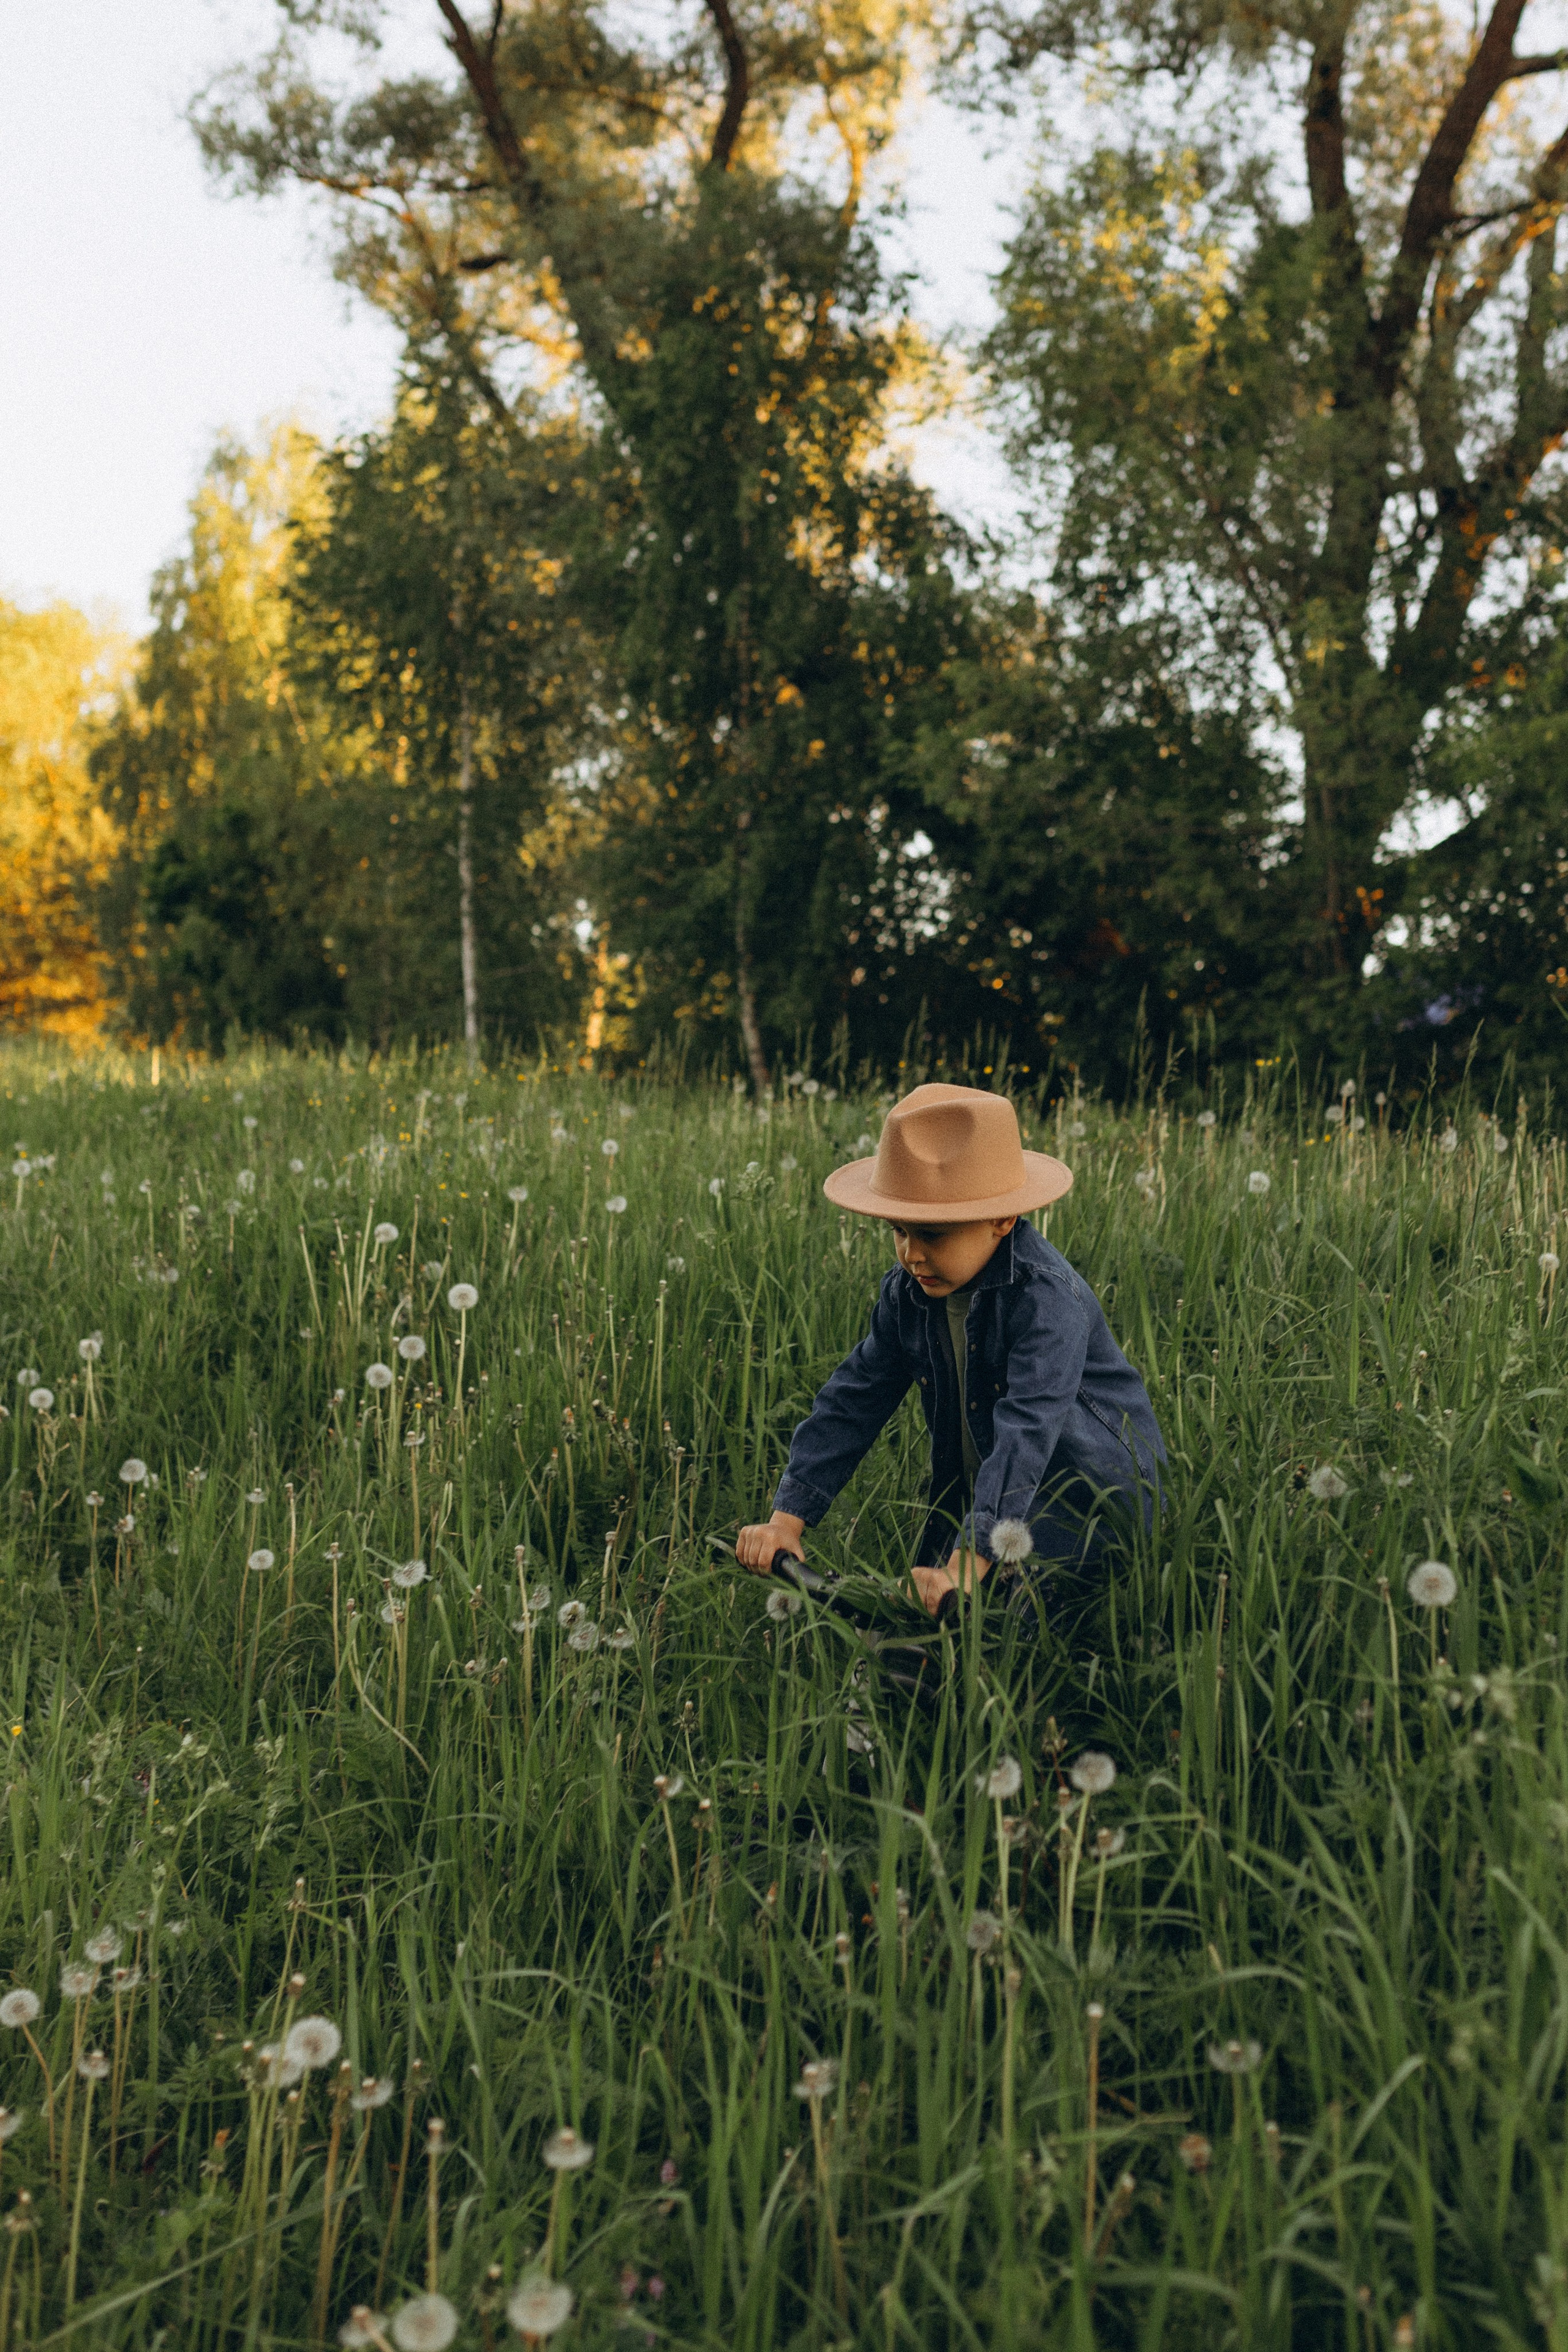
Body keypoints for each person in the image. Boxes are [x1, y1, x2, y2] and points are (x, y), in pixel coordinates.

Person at [736, 1082, 1166, 1616]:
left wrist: (969, 1564)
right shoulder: (908, 1294)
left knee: (1006, 1642)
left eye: (933, 1234)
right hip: (981, 1495)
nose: (911, 1254)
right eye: (898, 1231)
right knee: (909, 1627)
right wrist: (786, 1520)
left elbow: (1028, 1430)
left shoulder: (1047, 1301)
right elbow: (854, 1398)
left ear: (1002, 1219)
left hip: (1083, 1507)